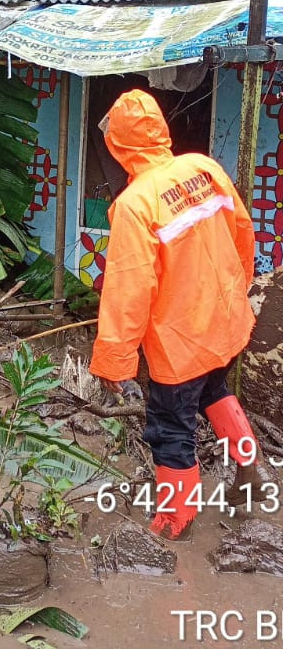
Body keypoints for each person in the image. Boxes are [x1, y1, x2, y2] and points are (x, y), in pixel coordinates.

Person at [89, 88, 270, 540]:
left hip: (179, 342)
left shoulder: (135, 206)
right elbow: (243, 233)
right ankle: (251, 470)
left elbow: (128, 291)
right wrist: (235, 291)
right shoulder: (203, 168)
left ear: (119, 144)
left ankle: (176, 520)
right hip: (222, 322)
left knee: (170, 429)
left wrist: (116, 362)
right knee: (215, 391)